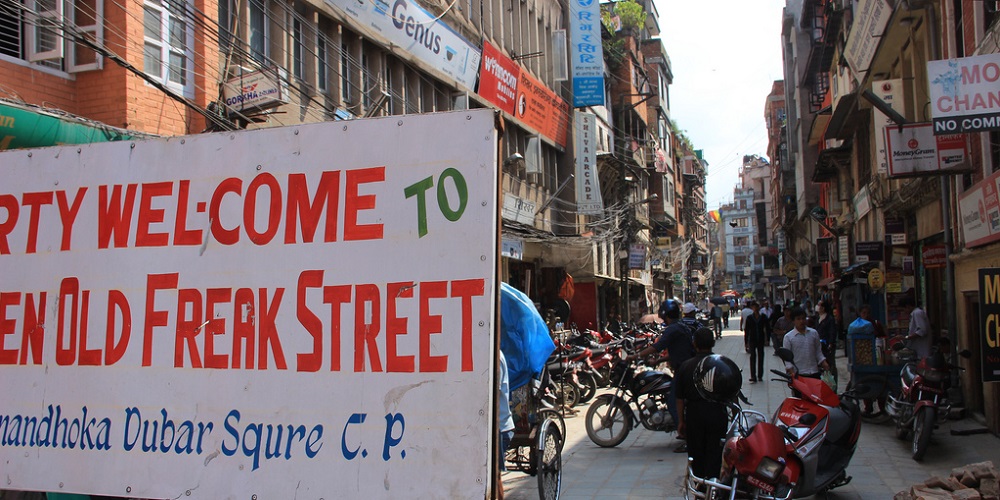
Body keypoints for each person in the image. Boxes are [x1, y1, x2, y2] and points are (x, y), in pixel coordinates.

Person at [632, 299, 694, 451]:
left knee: (673, 401)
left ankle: (687, 438)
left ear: (666, 314)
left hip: (683, 371)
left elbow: (657, 346)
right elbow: (678, 352)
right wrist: (659, 360)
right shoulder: (681, 326)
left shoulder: (672, 329)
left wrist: (636, 355)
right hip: (687, 367)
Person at [675, 328, 729, 479]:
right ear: (713, 343)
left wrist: (681, 421)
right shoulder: (722, 364)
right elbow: (732, 392)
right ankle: (713, 484)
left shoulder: (685, 366)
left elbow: (679, 398)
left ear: (694, 343)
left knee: (696, 454)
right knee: (715, 453)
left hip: (694, 414)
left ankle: (699, 486)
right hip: (717, 413)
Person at [782, 306, 830, 377]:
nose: (801, 321)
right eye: (798, 319)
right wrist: (791, 371)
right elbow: (787, 359)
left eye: (803, 318)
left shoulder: (814, 333)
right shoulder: (788, 337)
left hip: (814, 372)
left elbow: (818, 352)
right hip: (798, 374)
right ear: (793, 321)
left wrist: (824, 362)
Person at [497, 350, 515, 499]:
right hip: (496, 426)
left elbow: (491, 392)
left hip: (499, 428)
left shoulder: (495, 357)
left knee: (493, 475)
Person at [743, 301, 769, 383]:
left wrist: (767, 339)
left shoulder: (763, 317)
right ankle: (753, 376)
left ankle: (760, 375)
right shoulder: (749, 318)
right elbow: (747, 330)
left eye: (756, 306)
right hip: (752, 339)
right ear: (752, 308)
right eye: (753, 307)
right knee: (752, 357)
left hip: (760, 339)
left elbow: (767, 328)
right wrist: (746, 342)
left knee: (761, 357)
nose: (755, 308)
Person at [815, 300, 839, 388]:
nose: (817, 307)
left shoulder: (829, 319)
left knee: (831, 365)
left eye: (819, 305)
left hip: (828, 346)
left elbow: (832, 332)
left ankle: (833, 386)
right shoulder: (818, 318)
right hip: (820, 346)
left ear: (823, 308)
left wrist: (830, 343)